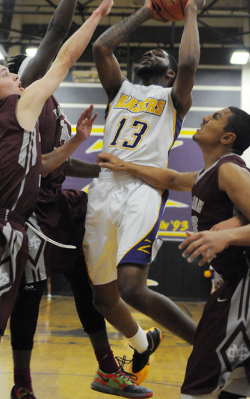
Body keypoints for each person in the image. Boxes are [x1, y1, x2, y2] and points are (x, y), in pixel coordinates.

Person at [0, 0, 116, 399]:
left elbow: (39, 166)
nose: (17, 77)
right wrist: (97, 13)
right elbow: (64, 55)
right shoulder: (14, 106)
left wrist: (76, 141)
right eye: (7, 74)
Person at [7, 0, 152, 398]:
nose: (38, 69)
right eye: (22, 71)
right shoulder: (24, 95)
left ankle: (108, 369)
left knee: (89, 286)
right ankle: (22, 385)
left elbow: (62, 162)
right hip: (28, 211)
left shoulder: (49, 105)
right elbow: (54, 34)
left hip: (58, 204)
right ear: (17, 77)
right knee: (29, 297)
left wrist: (109, 170)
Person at [82, 0, 208, 386]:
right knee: (105, 298)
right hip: (104, 188)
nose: (152, 50)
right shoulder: (120, 90)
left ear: (169, 72)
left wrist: (189, 11)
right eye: (148, 50)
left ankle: (208, 346)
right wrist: (146, 11)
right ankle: (141, 343)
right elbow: (102, 47)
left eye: (161, 53)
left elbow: (189, 65)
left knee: (132, 288)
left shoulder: (174, 99)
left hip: (142, 190)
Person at [97, 106, 250, 399]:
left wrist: (228, 236)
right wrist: (126, 166)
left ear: (228, 137)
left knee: (199, 386)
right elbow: (170, 179)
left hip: (244, 284)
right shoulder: (208, 174)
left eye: (215, 118)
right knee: (236, 383)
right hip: (232, 283)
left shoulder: (230, 169)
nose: (205, 117)